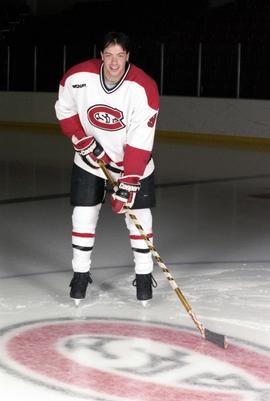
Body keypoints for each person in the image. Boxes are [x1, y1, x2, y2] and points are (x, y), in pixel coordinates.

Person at [55, 31, 159, 304]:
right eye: (109, 55)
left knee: (139, 217)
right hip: (92, 160)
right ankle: (80, 275)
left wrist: (129, 182)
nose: (114, 62)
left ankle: (145, 276)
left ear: (128, 57)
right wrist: (80, 138)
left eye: (120, 56)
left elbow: (140, 141)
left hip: (131, 164)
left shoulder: (143, 88)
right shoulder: (77, 78)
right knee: (83, 213)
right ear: (101, 55)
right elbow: (64, 111)